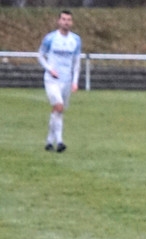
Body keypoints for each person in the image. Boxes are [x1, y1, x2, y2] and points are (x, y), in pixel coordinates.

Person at [37, 9, 82, 153]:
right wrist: (50, 69)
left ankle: (49, 142)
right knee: (59, 106)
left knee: (58, 111)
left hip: (66, 80)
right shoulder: (50, 38)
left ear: (72, 22)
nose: (66, 22)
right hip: (52, 80)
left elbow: (76, 62)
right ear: (59, 21)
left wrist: (75, 81)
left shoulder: (75, 40)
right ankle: (60, 141)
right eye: (63, 19)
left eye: (68, 20)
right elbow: (40, 55)